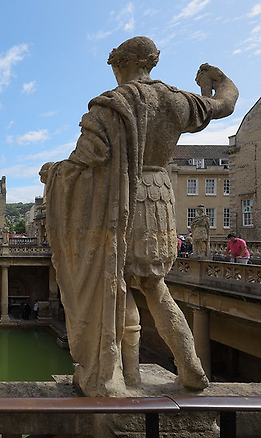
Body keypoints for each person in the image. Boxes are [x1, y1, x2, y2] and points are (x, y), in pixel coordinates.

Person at [40, 36, 238, 397]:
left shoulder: (112, 106)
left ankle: (123, 376)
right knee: (155, 287)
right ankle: (190, 367)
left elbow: (84, 160)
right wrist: (215, 78)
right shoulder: (177, 101)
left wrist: (52, 172)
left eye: (115, 66)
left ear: (122, 64)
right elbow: (226, 103)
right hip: (160, 199)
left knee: (114, 284)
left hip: (123, 201)